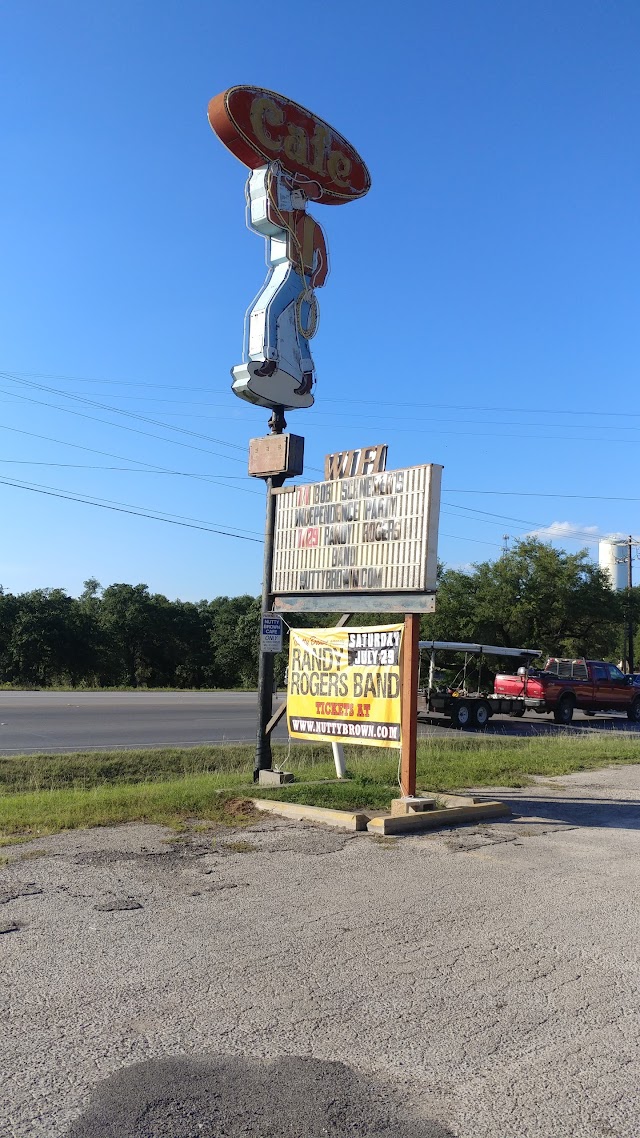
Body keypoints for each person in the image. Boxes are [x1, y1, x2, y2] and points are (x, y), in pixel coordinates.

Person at [244, 162, 329, 396]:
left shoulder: (313, 227)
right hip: (288, 272)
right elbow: (270, 213)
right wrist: (271, 179)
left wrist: (314, 285)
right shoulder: (289, 220)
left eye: (301, 195)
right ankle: (269, 357)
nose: (297, 197)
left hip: (304, 279)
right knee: (269, 310)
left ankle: (307, 377)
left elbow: (322, 260)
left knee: (301, 332)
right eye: (295, 194)